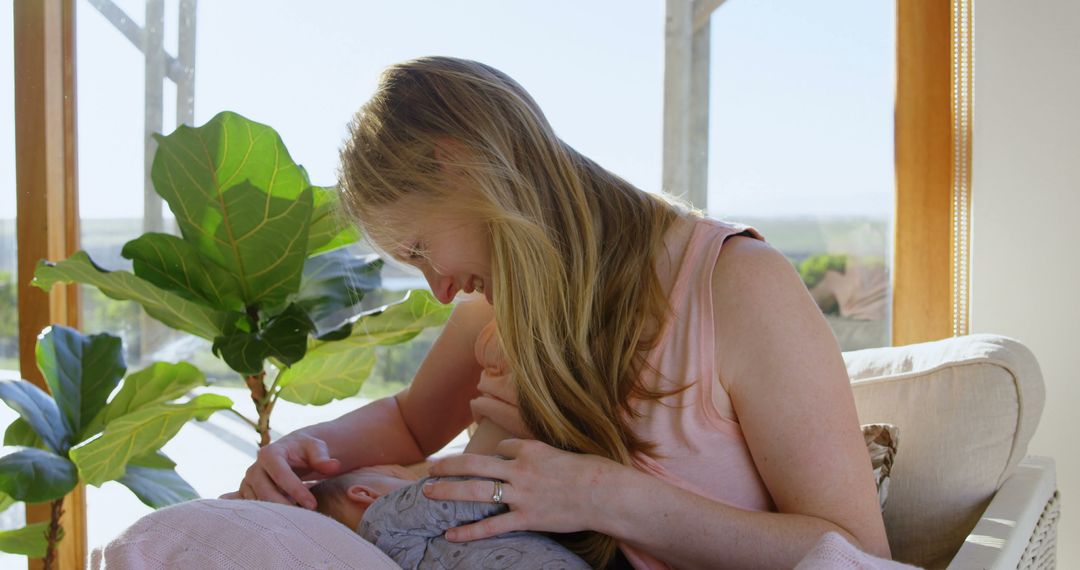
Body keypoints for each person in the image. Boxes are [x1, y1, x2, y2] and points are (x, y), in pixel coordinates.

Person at [233, 56, 891, 568]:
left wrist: (603, 498)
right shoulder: (500, 303)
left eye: (421, 248)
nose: (439, 291)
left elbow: (860, 556)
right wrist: (298, 458)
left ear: (457, 166)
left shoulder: (738, 287)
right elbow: (410, 423)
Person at [308, 464, 589, 569]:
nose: (419, 480)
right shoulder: (384, 517)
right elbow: (466, 490)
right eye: (401, 477)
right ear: (364, 494)